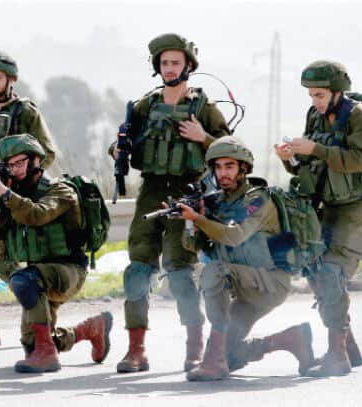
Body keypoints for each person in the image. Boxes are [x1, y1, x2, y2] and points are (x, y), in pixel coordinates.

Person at [109, 33, 230, 373]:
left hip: (187, 193)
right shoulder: (145, 106)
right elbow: (122, 143)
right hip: (150, 190)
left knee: (179, 273)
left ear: (188, 65)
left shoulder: (204, 108)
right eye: (164, 63)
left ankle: (195, 347)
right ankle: (136, 349)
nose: (170, 68)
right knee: (137, 271)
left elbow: (232, 152)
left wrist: (203, 137)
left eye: (176, 62)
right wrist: (117, 150)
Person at [178, 136, 314, 381]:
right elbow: (192, 246)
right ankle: (290, 339)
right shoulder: (218, 202)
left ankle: (214, 362)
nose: (223, 173)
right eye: (218, 167)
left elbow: (234, 236)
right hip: (245, 288)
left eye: (229, 166)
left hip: (270, 283)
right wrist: (191, 222)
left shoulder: (258, 199)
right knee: (229, 354)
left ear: (244, 168)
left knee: (213, 271)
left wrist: (199, 219)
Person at [274, 60, 362, 376]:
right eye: (311, 95)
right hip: (321, 206)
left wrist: (315, 148)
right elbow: (310, 165)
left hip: (352, 208)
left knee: (331, 274)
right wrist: (290, 159)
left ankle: (337, 355)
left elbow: (357, 160)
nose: (314, 101)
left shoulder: (360, 117)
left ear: (337, 92)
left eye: (319, 95)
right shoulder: (315, 115)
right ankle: (349, 348)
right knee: (316, 274)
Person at [0, 134, 111, 373]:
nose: (14, 170)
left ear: (36, 161)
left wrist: (7, 195)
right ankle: (89, 329)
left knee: (25, 280)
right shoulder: (15, 195)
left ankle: (47, 353)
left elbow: (38, 214)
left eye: (19, 163)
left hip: (68, 271)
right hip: (38, 274)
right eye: (9, 166)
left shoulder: (60, 191)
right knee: (30, 345)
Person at [0, 50, 58, 348]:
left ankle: (39, 320)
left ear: (10, 79)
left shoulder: (26, 112)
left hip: (13, 198)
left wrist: (17, 177)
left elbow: (47, 153)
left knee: (7, 264)